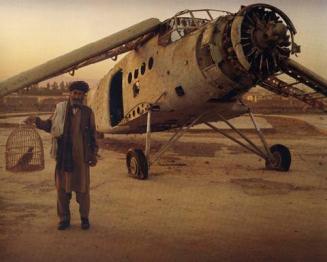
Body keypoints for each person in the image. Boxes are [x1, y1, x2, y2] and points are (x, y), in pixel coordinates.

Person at [25, 81, 98, 230]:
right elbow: (50, 125)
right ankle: (64, 219)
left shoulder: (88, 112)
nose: (77, 96)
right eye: (75, 93)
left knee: (83, 190)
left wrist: (93, 154)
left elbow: (92, 135)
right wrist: (36, 120)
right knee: (62, 190)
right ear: (70, 94)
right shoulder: (60, 109)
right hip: (63, 157)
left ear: (84, 96)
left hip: (81, 158)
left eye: (80, 93)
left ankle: (84, 218)